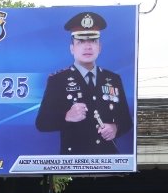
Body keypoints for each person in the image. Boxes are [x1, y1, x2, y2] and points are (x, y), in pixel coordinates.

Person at [35, 11, 133, 155]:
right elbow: (41, 123)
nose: (88, 47)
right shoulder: (58, 80)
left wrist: (115, 127)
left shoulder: (113, 79)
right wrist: (66, 116)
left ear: (100, 47)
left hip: (108, 159)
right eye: (81, 41)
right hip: (74, 159)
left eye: (93, 41)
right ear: (72, 48)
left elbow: (126, 120)